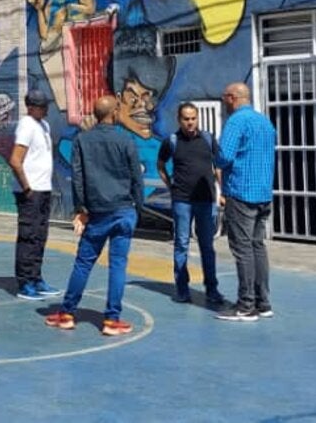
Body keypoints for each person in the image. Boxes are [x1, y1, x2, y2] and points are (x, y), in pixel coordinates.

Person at [44, 96, 142, 336]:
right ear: (115, 112)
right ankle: (112, 319)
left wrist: (80, 208)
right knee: (118, 265)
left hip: (98, 210)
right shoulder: (126, 139)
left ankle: (67, 313)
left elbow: (78, 177)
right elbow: (135, 176)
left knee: (84, 262)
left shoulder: (82, 140)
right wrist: (137, 207)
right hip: (123, 209)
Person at [213, 83, 278, 322]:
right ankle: (263, 302)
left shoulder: (236, 122)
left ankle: (246, 305)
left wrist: (215, 159)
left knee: (242, 250)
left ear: (232, 98)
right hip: (263, 192)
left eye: (224, 98)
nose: (223, 102)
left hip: (241, 192)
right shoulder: (264, 122)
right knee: (257, 246)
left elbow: (224, 156)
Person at [156, 102, 225, 306]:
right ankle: (182, 288)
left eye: (193, 118)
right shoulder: (172, 141)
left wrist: (223, 191)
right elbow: (160, 164)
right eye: (186, 119)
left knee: (207, 246)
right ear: (179, 120)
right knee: (181, 244)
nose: (190, 122)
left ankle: (212, 289)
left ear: (197, 118)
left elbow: (218, 166)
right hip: (182, 201)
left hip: (205, 201)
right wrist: (170, 185)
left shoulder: (208, 139)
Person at [10, 89, 62, 301]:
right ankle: (25, 283)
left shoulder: (44, 125)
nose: (46, 109)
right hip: (30, 191)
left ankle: (36, 277)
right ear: (31, 107)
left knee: (40, 235)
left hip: (43, 188)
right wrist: (27, 188)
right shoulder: (26, 125)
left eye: (45, 105)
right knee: (28, 235)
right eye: (42, 106)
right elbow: (15, 160)